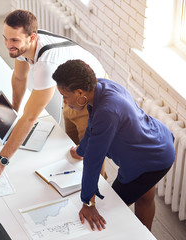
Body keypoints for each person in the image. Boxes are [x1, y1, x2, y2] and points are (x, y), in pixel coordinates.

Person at [0, 9, 105, 182]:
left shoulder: (46, 63)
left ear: (32, 38)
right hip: (70, 96)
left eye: (14, 40)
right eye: (5, 38)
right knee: (71, 151)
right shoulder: (23, 47)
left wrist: (2, 160)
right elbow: (19, 77)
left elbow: (30, 117)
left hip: (91, 97)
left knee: (92, 164)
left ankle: (102, 201)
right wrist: (14, 111)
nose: (8, 45)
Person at [52, 59, 175, 231]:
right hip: (158, 139)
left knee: (109, 209)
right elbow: (92, 128)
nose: (64, 101)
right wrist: (81, 150)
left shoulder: (107, 112)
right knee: (145, 196)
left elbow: (94, 161)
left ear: (80, 92)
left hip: (151, 159)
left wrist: (88, 203)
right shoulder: (100, 87)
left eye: (65, 96)